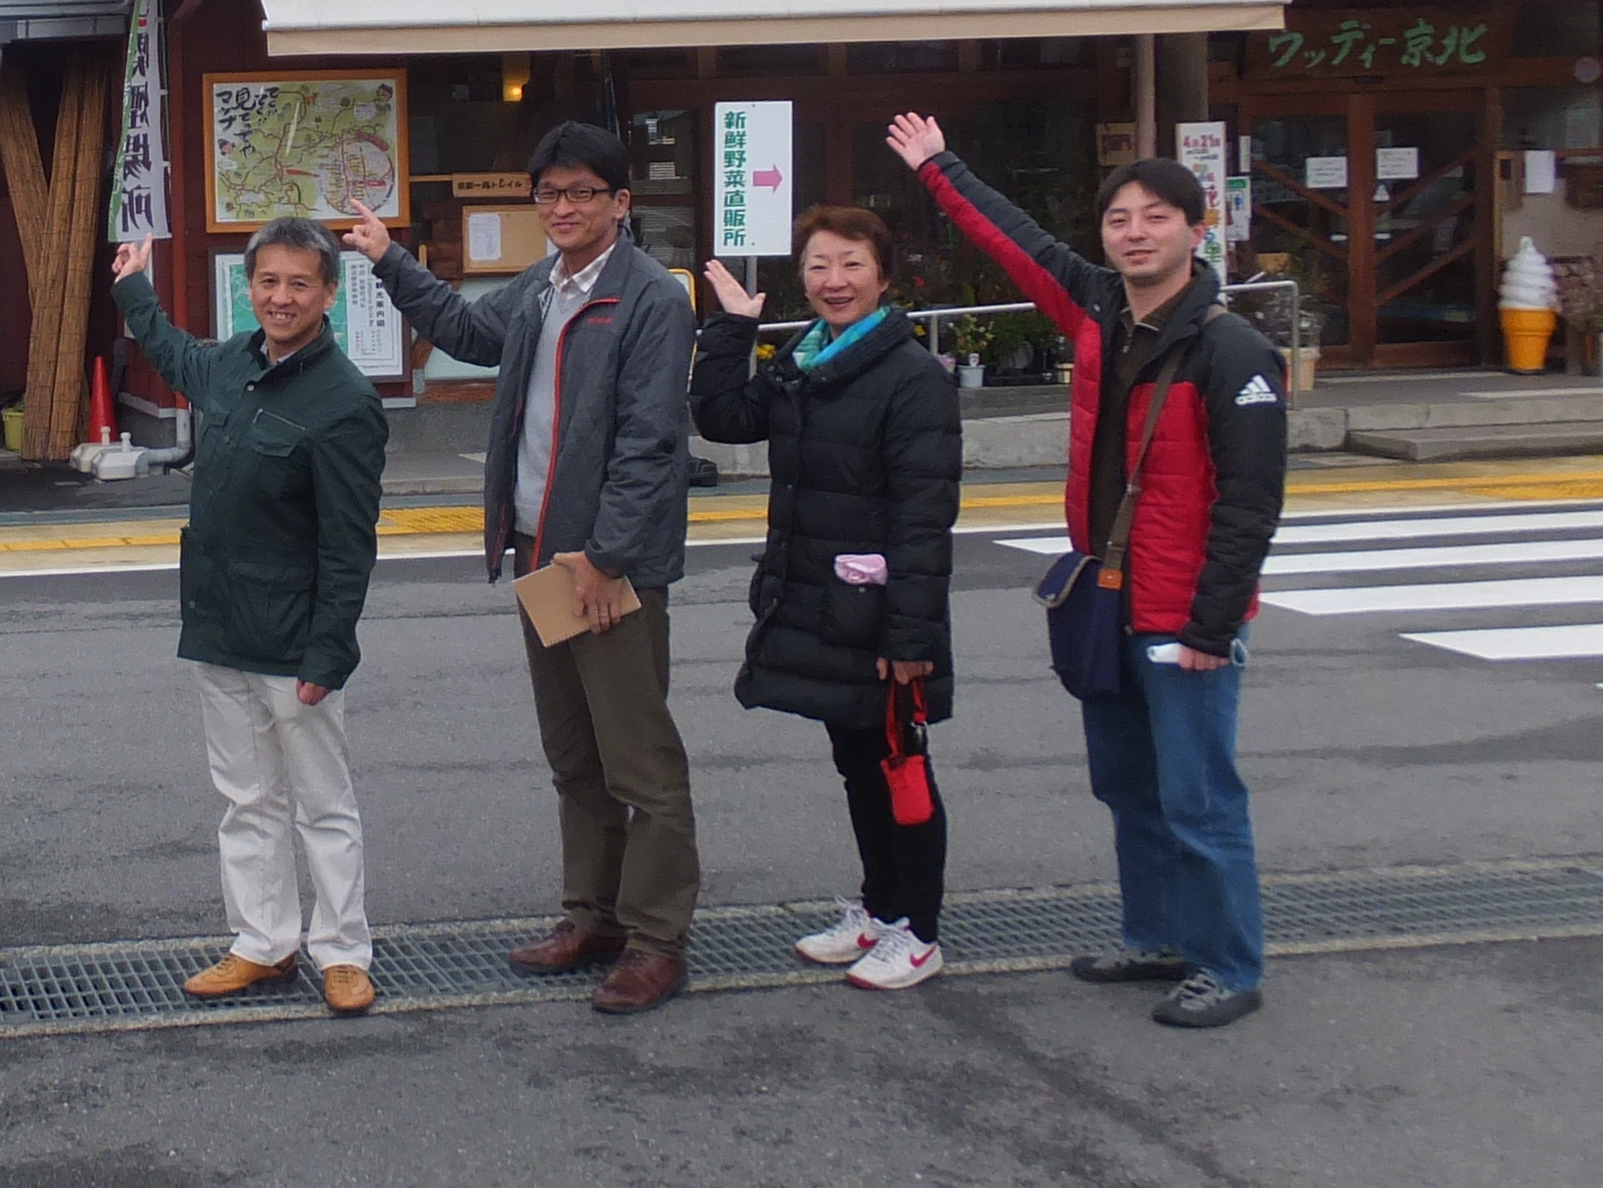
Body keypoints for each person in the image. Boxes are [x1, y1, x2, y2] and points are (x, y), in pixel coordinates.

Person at [891, 114, 1285, 1030]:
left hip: (1185, 616)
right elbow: (1016, 237)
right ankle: (1156, 937)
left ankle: (1229, 964)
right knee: (1129, 789)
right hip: (1110, 601)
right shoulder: (1099, 308)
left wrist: (1211, 628)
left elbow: (1250, 506)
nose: (1135, 232)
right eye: (1119, 218)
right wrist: (939, 167)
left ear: (1196, 229)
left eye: (1155, 216)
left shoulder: (1232, 352)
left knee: (1199, 797)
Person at [342, 118, 701, 1016]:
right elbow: (465, 328)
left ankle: (657, 940)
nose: (564, 207)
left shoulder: (651, 299)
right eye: (550, 193)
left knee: (641, 764)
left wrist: (607, 559)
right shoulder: (541, 288)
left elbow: (652, 444)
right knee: (575, 757)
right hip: (543, 552)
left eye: (584, 192)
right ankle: (594, 917)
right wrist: (391, 258)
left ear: (622, 203)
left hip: (606, 566)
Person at [109, 220, 388, 1017]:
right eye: (267, 281)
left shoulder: (346, 403)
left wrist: (328, 652)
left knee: (322, 804)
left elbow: (348, 544)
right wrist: (135, 285)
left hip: (295, 639)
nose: (281, 297)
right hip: (220, 622)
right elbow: (170, 353)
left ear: (329, 294)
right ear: (250, 285)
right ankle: (263, 943)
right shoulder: (232, 364)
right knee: (246, 799)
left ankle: (343, 951)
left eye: (300, 283)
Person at [695, 209, 961, 993]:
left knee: (900, 765)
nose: (833, 281)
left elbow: (925, 519)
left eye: (850, 264)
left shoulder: (911, 379)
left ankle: (920, 930)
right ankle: (881, 911)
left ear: (884, 274)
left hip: (883, 618)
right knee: (859, 765)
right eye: (818, 266)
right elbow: (721, 418)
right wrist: (733, 333)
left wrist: (912, 636)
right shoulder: (806, 360)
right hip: (825, 604)